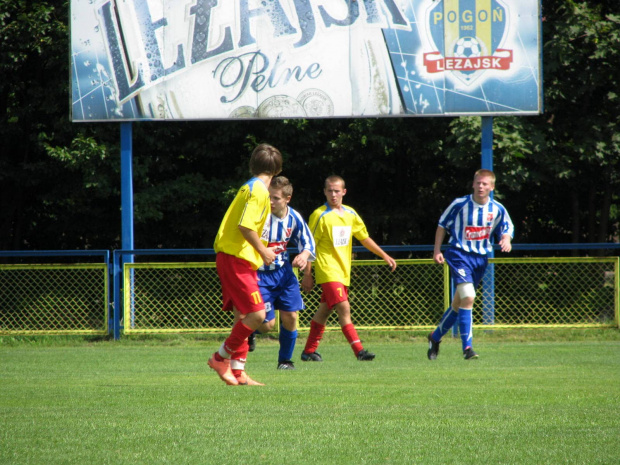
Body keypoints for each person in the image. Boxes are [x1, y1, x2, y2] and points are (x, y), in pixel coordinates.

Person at [208, 143, 282, 385]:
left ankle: (238, 371)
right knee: (257, 314)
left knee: (243, 313)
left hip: (235, 257)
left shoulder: (248, 187)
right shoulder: (259, 191)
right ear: (278, 169)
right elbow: (245, 226)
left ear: (253, 165)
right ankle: (221, 357)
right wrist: (263, 250)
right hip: (236, 257)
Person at [301, 175, 397, 362]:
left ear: (344, 192)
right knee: (344, 307)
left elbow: (364, 237)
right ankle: (359, 351)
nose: (333, 194)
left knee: (324, 311)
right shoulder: (319, 215)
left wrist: (384, 255)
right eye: (330, 191)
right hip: (327, 270)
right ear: (324, 192)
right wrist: (307, 273)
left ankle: (308, 351)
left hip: (343, 272)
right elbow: (309, 245)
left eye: (337, 191)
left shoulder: (351, 214)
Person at [428, 169, 514, 361]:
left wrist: (506, 239)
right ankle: (467, 348)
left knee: (459, 304)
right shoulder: (460, 204)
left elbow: (507, 227)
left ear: (492, 187)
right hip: (459, 255)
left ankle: (434, 337)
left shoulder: (497, 209)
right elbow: (442, 225)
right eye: (478, 183)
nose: (481, 186)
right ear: (473, 184)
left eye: (485, 184)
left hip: (480, 260)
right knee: (469, 296)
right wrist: (437, 250)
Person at [247, 176, 316, 370]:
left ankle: (285, 361)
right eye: (268, 197)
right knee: (266, 324)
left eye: (275, 198)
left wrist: (303, 254)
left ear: (288, 198)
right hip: (259, 275)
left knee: (291, 317)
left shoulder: (294, 218)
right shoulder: (260, 216)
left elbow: (309, 243)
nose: (270, 201)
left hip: (284, 274)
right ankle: (250, 330)